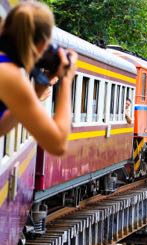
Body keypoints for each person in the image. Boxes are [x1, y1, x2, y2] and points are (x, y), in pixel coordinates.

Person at [0, 2, 77, 156]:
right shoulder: (9, 74)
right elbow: (58, 145)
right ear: (42, 44)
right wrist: (67, 79)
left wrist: (36, 91)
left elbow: (1, 128)